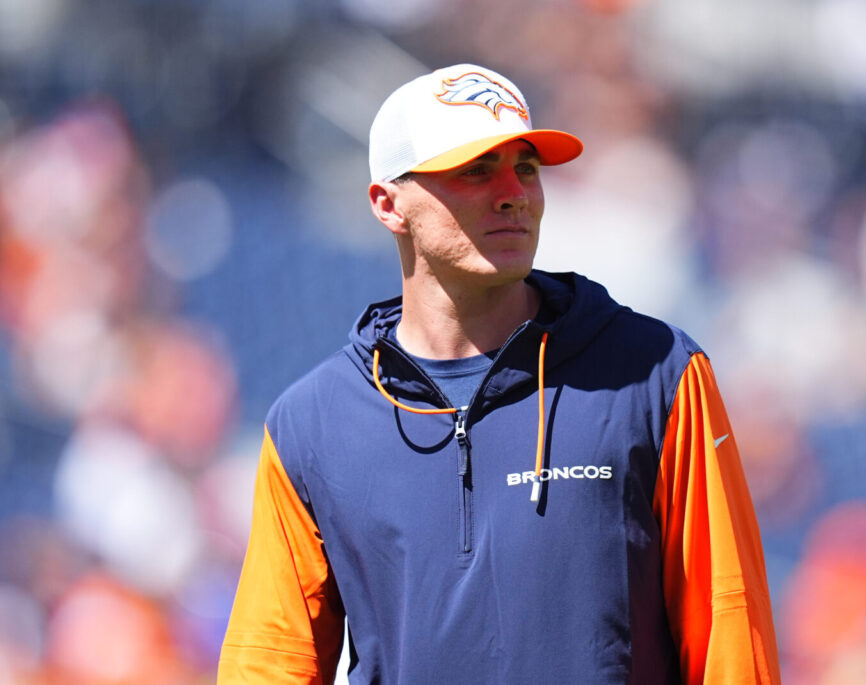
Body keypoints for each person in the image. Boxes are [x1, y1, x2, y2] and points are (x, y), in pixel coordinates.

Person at [218, 63, 780, 685]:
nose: (514, 191)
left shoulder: (656, 374)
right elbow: (271, 663)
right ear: (387, 204)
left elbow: (729, 630)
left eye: (527, 168)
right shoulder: (311, 424)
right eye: (475, 171)